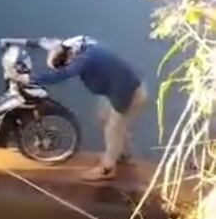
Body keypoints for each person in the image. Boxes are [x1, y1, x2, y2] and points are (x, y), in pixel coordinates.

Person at [18, 36, 147, 181]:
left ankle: (107, 169)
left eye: (63, 63)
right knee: (104, 118)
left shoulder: (83, 60)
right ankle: (122, 155)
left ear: (69, 57)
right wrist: (13, 42)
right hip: (120, 88)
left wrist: (30, 79)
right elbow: (43, 43)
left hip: (127, 92)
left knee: (113, 128)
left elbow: (63, 74)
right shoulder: (77, 45)